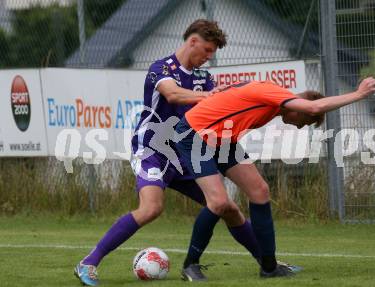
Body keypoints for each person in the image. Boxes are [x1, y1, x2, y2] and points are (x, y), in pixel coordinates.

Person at [74, 19, 274, 286]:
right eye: (207, 50)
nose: (208, 57)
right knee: (151, 208)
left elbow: (207, 113)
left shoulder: (204, 78)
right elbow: (173, 95)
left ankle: (268, 264)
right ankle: (88, 263)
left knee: (228, 207)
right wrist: (208, 97)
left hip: (184, 152)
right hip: (153, 149)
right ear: (192, 41)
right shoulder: (162, 68)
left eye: (212, 52)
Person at [175, 78, 375, 279]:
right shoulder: (274, 93)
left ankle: (269, 267)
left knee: (260, 191)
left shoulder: (273, 101)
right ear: (299, 109)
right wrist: (359, 94)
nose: (300, 127)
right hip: (195, 134)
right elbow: (314, 108)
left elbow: (230, 95)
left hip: (223, 140)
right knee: (219, 202)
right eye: (305, 122)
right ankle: (190, 265)